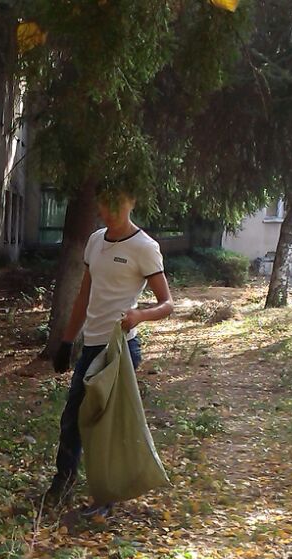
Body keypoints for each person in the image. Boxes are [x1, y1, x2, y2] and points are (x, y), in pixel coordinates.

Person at [44, 189, 174, 509]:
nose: (110, 210)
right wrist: (66, 341)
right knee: (73, 418)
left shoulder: (144, 247)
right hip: (91, 346)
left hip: (119, 350)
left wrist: (139, 315)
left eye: (117, 203)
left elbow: (167, 304)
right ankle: (63, 483)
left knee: (107, 427)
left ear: (132, 201)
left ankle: (107, 496)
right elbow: (84, 296)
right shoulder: (95, 241)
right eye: (104, 203)